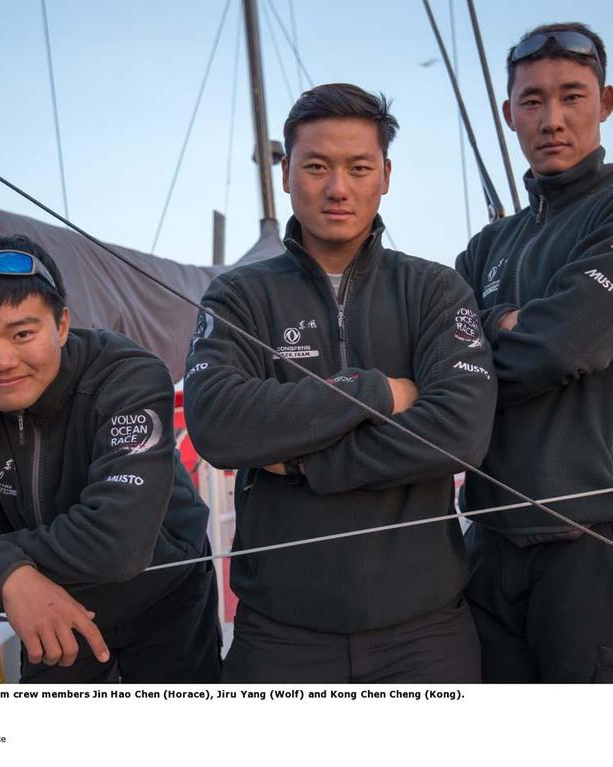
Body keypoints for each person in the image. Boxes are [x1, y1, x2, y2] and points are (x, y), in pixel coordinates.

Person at [183, 83, 497, 684]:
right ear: (286, 173)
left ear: (386, 175)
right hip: (279, 635)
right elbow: (218, 424)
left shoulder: (434, 291)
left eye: (359, 167)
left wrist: (302, 464)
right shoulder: (238, 295)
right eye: (316, 166)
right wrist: (374, 392)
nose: (337, 188)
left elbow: (458, 432)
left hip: (425, 633)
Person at [0, 234, 221, 683]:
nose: (2, 360)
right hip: (42, 602)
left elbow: (117, 544)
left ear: (62, 325)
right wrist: (2, 577)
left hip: (163, 601)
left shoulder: (127, 375)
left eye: (23, 333)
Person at [456, 22, 613, 683]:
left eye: (572, 96)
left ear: (605, 102)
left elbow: (557, 348)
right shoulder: (486, 247)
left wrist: (500, 329)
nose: (552, 119)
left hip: (605, 544)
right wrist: (513, 324)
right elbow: (441, 357)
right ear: (509, 114)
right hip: (493, 545)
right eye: (532, 101)